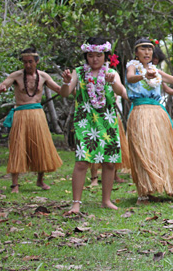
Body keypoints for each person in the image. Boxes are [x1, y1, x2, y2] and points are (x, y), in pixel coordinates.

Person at [59, 37, 126, 214]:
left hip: (107, 119)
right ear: (86, 56)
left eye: (98, 55)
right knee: (82, 162)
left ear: (105, 56)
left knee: (109, 162)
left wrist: (112, 82)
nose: (94, 59)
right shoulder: (79, 72)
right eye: (90, 55)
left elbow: (122, 92)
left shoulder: (111, 73)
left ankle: (106, 200)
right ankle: (75, 203)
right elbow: (65, 93)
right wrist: (66, 82)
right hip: (85, 119)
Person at [125, 38, 173, 203]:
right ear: (136, 52)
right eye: (143, 49)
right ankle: (143, 191)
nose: (147, 52)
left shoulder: (156, 70)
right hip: (141, 112)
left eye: (149, 49)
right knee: (143, 149)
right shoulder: (132, 66)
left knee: (160, 149)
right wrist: (143, 75)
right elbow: (131, 77)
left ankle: (162, 185)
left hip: (157, 113)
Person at [0, 47, 63, 193]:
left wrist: (69, 84)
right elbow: (4, 84)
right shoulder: (16, 76)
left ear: (37, 61)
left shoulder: (43, 76)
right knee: (18, 147)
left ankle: (40, 180)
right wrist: (1, 87)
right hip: (20, 114)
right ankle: (15, 184)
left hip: (37, 115)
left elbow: (60, 90)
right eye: (25, 62)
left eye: (30, 62)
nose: (27, 65)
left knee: (41, 146)